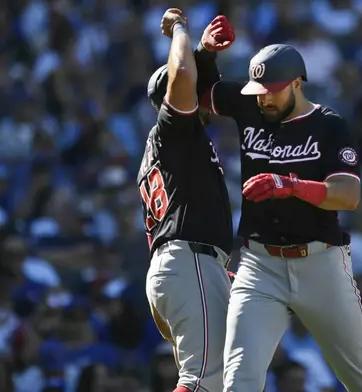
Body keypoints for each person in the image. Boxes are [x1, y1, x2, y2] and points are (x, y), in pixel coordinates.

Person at [198, 44, 362, 391]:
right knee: (239, 377)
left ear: (297, 83)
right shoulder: (250, 103)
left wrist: (291, 185)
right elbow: (199, 92)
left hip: (320, 265)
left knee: (360, 379)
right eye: (260, 92)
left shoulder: (329, 125)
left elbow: (348, 195)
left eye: (273, 91)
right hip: (260, 266)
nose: (264, 100)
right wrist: (203, 52)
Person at [140, 9, 235, 392]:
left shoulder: (173, 141)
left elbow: (191, 77)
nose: (209, 97)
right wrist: (180, 30)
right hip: (189, 261)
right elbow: (181, 77)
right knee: (204, 381)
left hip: (179, 266)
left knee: (217, 379)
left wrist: (205, 53)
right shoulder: (173, 129)